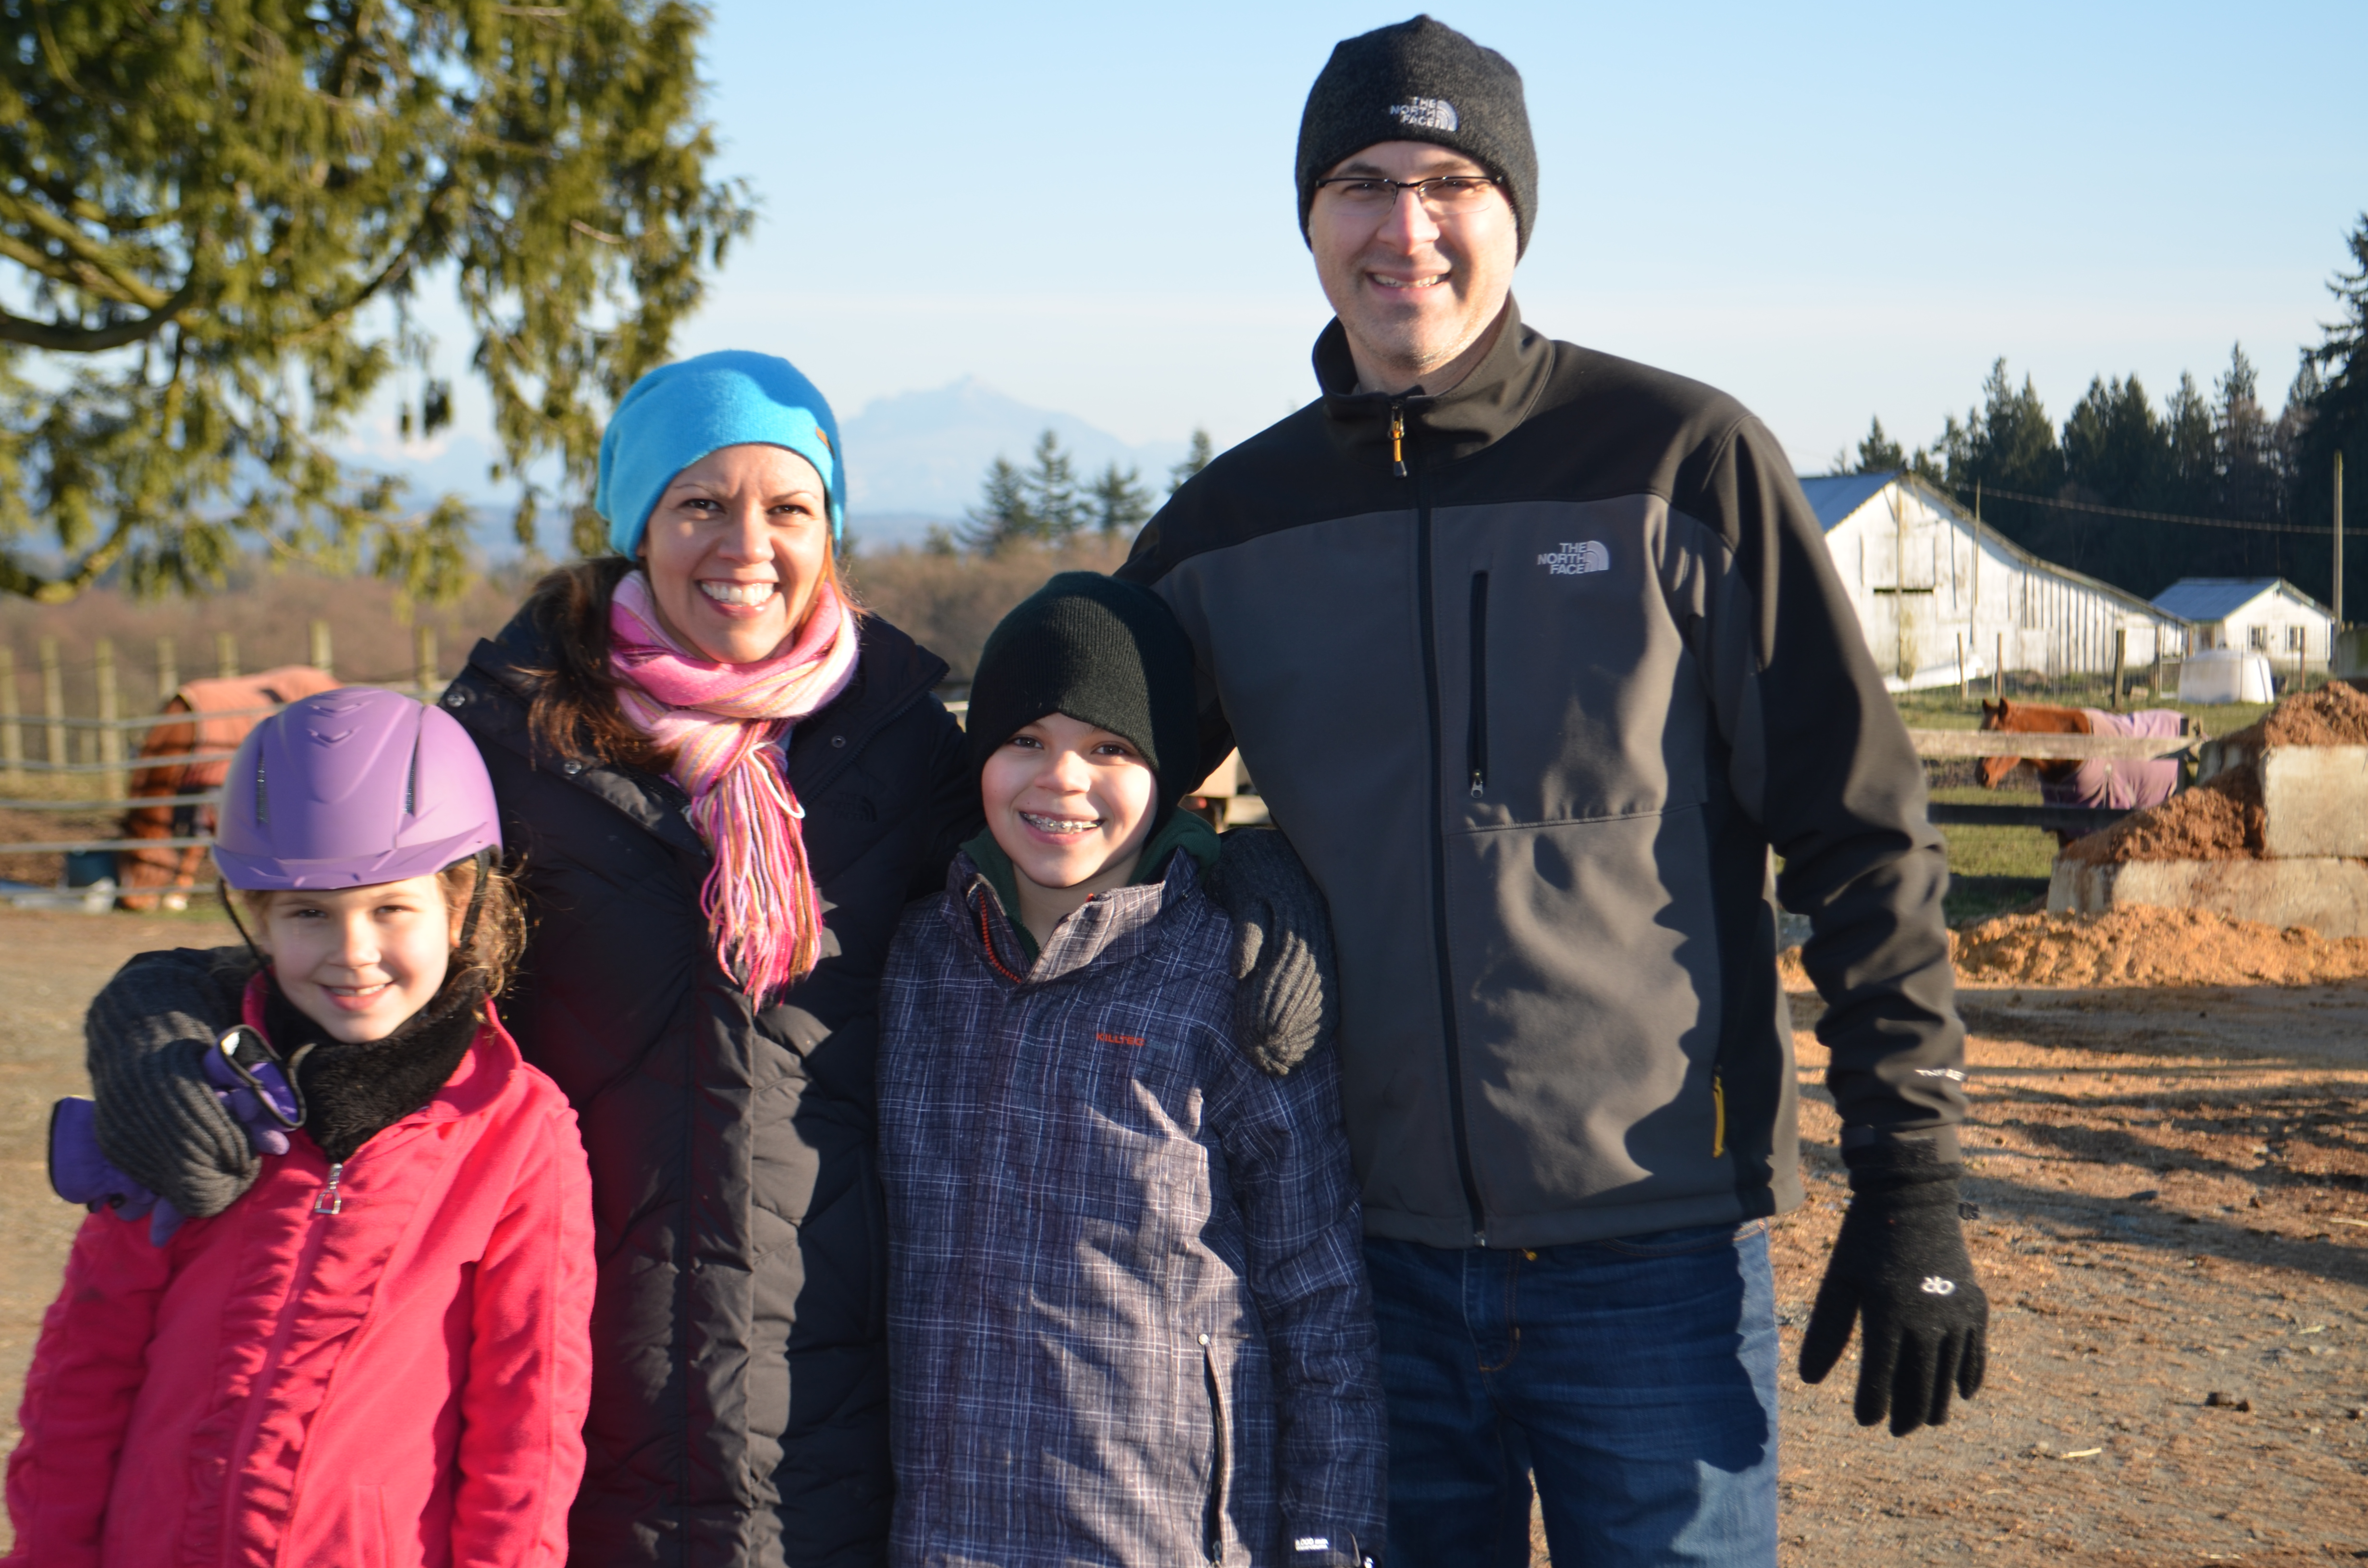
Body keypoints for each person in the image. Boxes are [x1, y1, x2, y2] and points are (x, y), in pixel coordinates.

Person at [76, 352, 1337, 1567]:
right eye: (700, 505)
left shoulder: (897, 747)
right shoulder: (511, 744)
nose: (747, 547)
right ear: (638, 522)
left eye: (788, 506)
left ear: (828, 528)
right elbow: (350, 917)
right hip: (570, 1412)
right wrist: (160, 1006)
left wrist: (1244, 875)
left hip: (840, 1435)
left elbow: (1072, 854)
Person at [1119, 16, 1989, 1566]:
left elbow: (1861, 836)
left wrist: (1908, 1176)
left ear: (1515, 211)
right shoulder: (1223, 530)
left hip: (1645, 1252)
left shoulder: (1678, 463)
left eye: (1450, 182)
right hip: (1349, 1254)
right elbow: (1066, 797)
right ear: (1307, 219)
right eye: (1359, 184)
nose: (1405, 228)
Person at [5, 686, 594, 1568]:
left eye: (392, 908)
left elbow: (529, 1410)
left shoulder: (518, 1131)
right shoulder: (188, 1096)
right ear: (258, 918)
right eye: (309, 912)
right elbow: (87, 1358)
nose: (353, 951)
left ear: (460, 902)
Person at [877, 574, 1384, 1568]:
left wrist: (1331, 1544)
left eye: (1109, 749)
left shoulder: (1228, 976)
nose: (1061, 779)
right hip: (938, 1533)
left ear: (1170, 779)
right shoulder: (911, 968)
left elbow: (1318, 1292)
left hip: (1158, 1535)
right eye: (1026, 740)